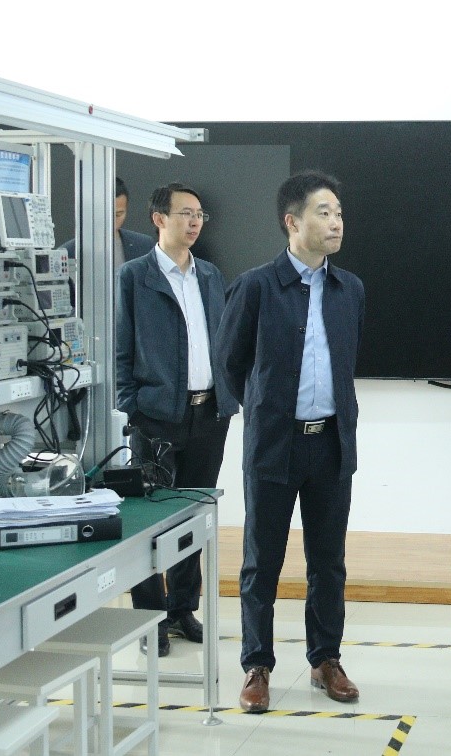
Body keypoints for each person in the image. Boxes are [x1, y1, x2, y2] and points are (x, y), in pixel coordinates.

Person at [217, 170, 365, 713]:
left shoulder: (351, 290)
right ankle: (257, 664)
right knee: (263, 560)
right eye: (324, 212)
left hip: (331, 443)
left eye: (339, 213)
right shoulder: (256, 286)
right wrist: (265, 410)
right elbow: (229, 363)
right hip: (275, 444)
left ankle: (326, 659)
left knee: (329, 560)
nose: (336, 222)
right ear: (292, 222)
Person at [115, 182, 237, 656]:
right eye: (186, 213)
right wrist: (132, 406)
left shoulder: (209, 274)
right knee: (149, 519)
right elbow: (121, 349)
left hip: (209, 413)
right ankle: (151, 619)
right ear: (159, 218)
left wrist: (229, 392)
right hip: (155, 417)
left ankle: (183, 608)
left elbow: (223, 340)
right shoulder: (134, 276)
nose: (195, 221)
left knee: (192, 515)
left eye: (200, 214)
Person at [63, 176, 155, 272]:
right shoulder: (68, 253)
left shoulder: (144, 246)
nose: (111, 221)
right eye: (105, 214)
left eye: (118, 214)